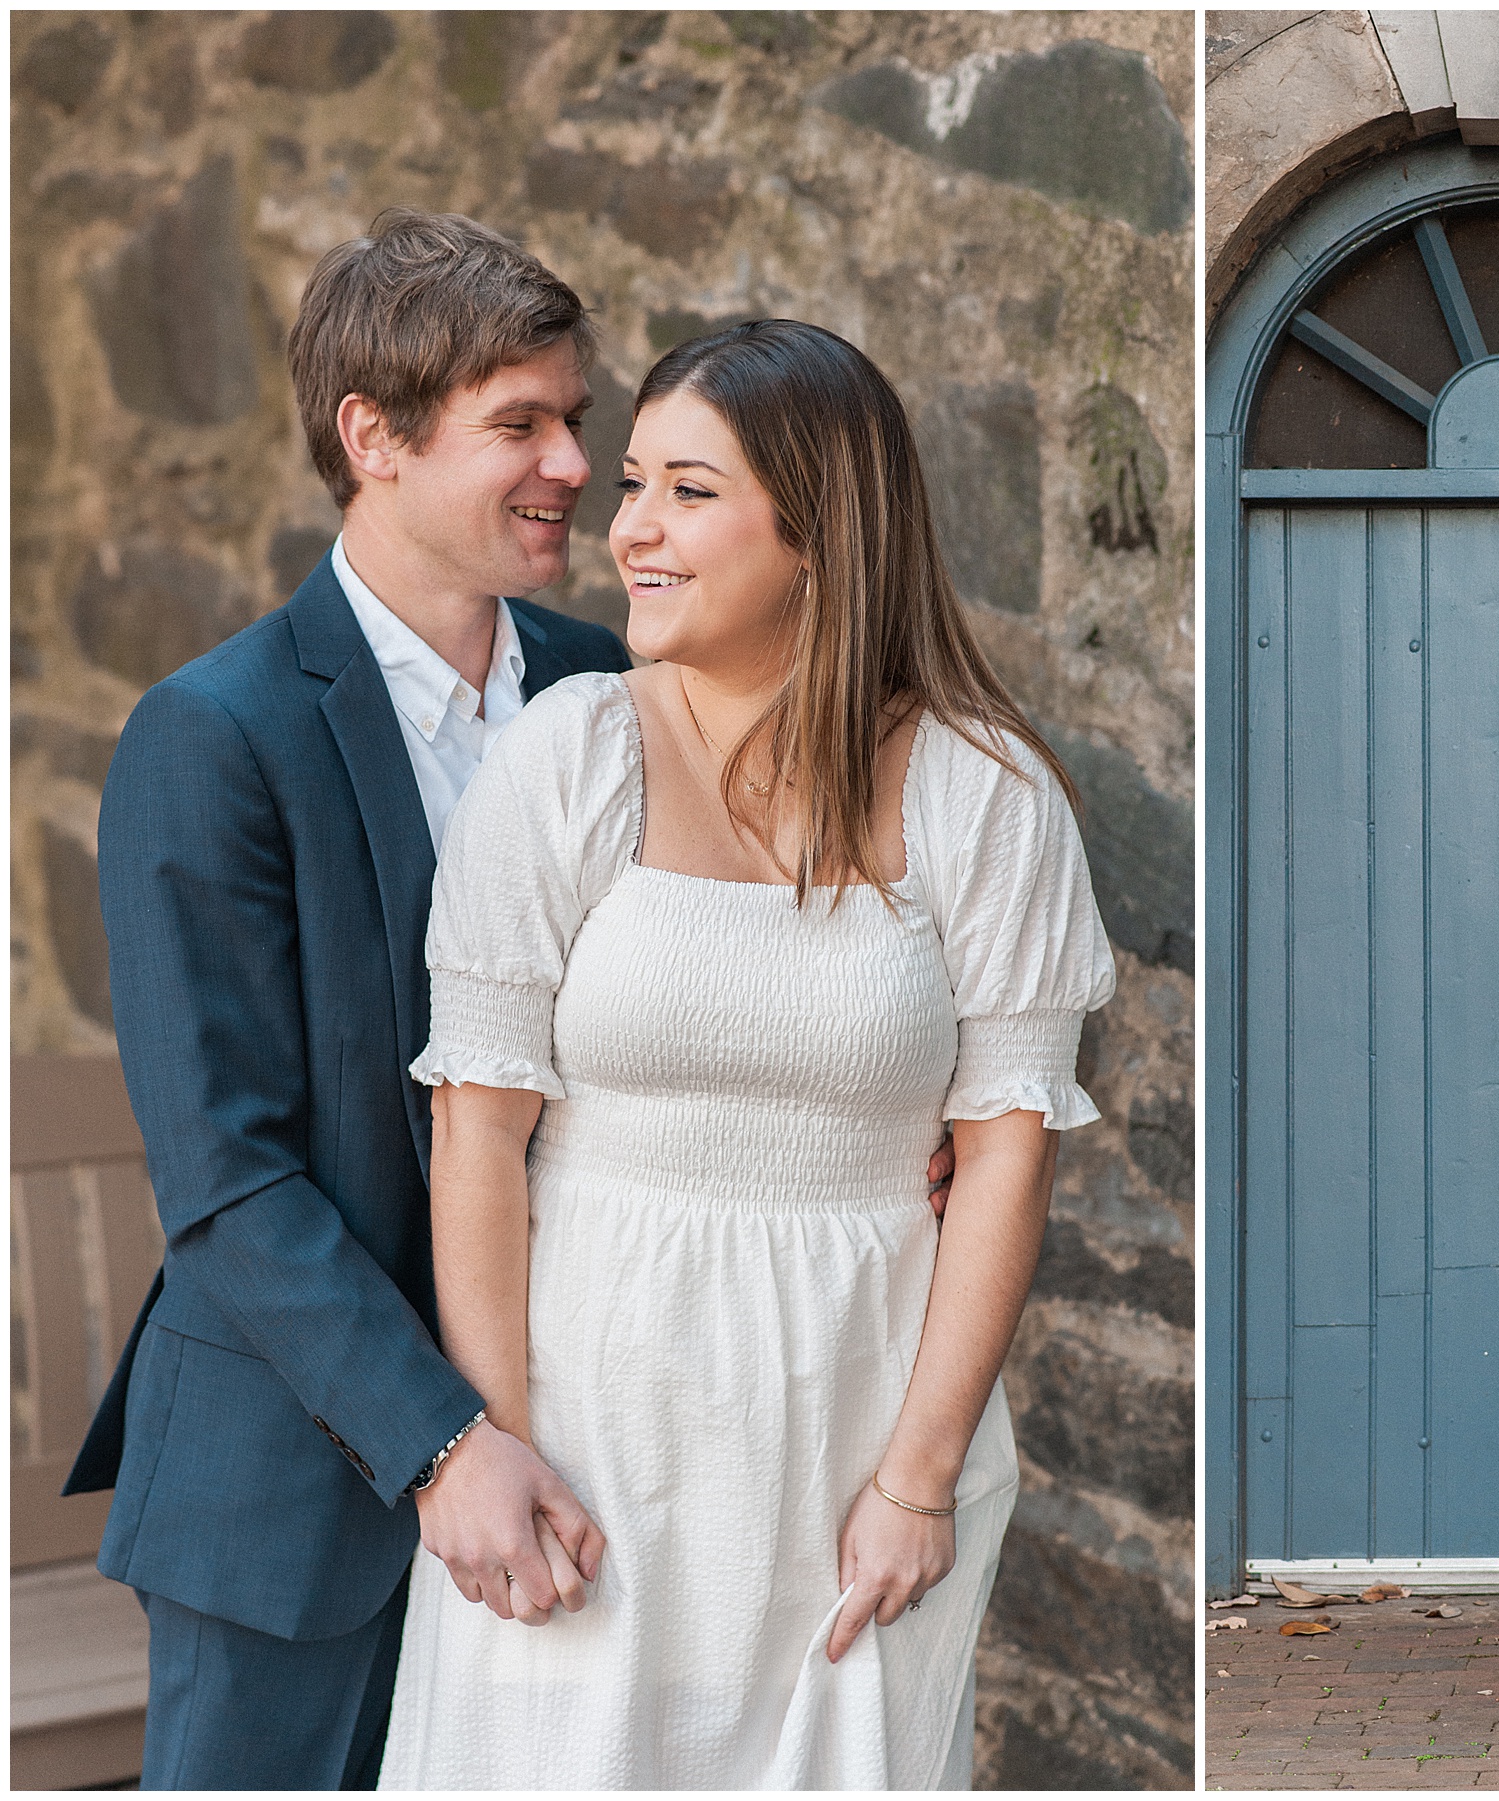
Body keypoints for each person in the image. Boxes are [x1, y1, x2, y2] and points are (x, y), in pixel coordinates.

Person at [373, 319, 1115, 1790]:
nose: (628, 525)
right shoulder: (568, 759)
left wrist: (914, 1480)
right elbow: (477, 1134)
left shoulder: (987, 794)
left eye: (686, 491)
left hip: (859, 1432)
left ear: (820, 529)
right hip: (587, 1432)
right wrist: (493, 1448)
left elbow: (1010, 1151)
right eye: (633, 480)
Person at [65, 210, 636, 1790]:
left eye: (572, 420)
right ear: (369, 436)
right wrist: (442, 1443)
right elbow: (230, 1181)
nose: (574, 466)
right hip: (298, 1493)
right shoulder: (216, 736)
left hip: (594, 1458)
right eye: (518, 424)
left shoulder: (608, 690)